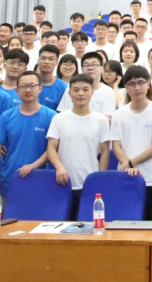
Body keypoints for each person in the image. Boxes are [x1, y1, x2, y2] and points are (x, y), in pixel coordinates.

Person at [47, 74, 111, 217]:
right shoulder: (59, 119)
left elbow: (105, 151)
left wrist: (100, 177)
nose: (81, 93)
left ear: (92, 92)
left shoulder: (101, 120)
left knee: (89, 223)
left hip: (90, 182)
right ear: (69, 93)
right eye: (76, 90)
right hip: (64, 181)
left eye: (85, 89)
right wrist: (59, 167)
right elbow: (51, 148)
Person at [110, 66, 152, 219]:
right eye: (132, 84)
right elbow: (117, 146)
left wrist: (130, 164)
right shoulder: (119, 114)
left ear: (148, 84)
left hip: (151, 178)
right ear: (126, 87)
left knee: (149, 221)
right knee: (126, 221)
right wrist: (128, 167)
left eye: (141, 82)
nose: (137, 88)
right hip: (125, 176)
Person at [0, 71, 55, 194]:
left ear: (40, 88)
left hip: (40, 179)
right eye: (23, 86)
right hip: (10, 178)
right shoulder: (7, 116)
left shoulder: (51, 116)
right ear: (17, 90)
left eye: (32, 86)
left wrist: (33, 166)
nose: (28, 90)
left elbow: (53, 148)